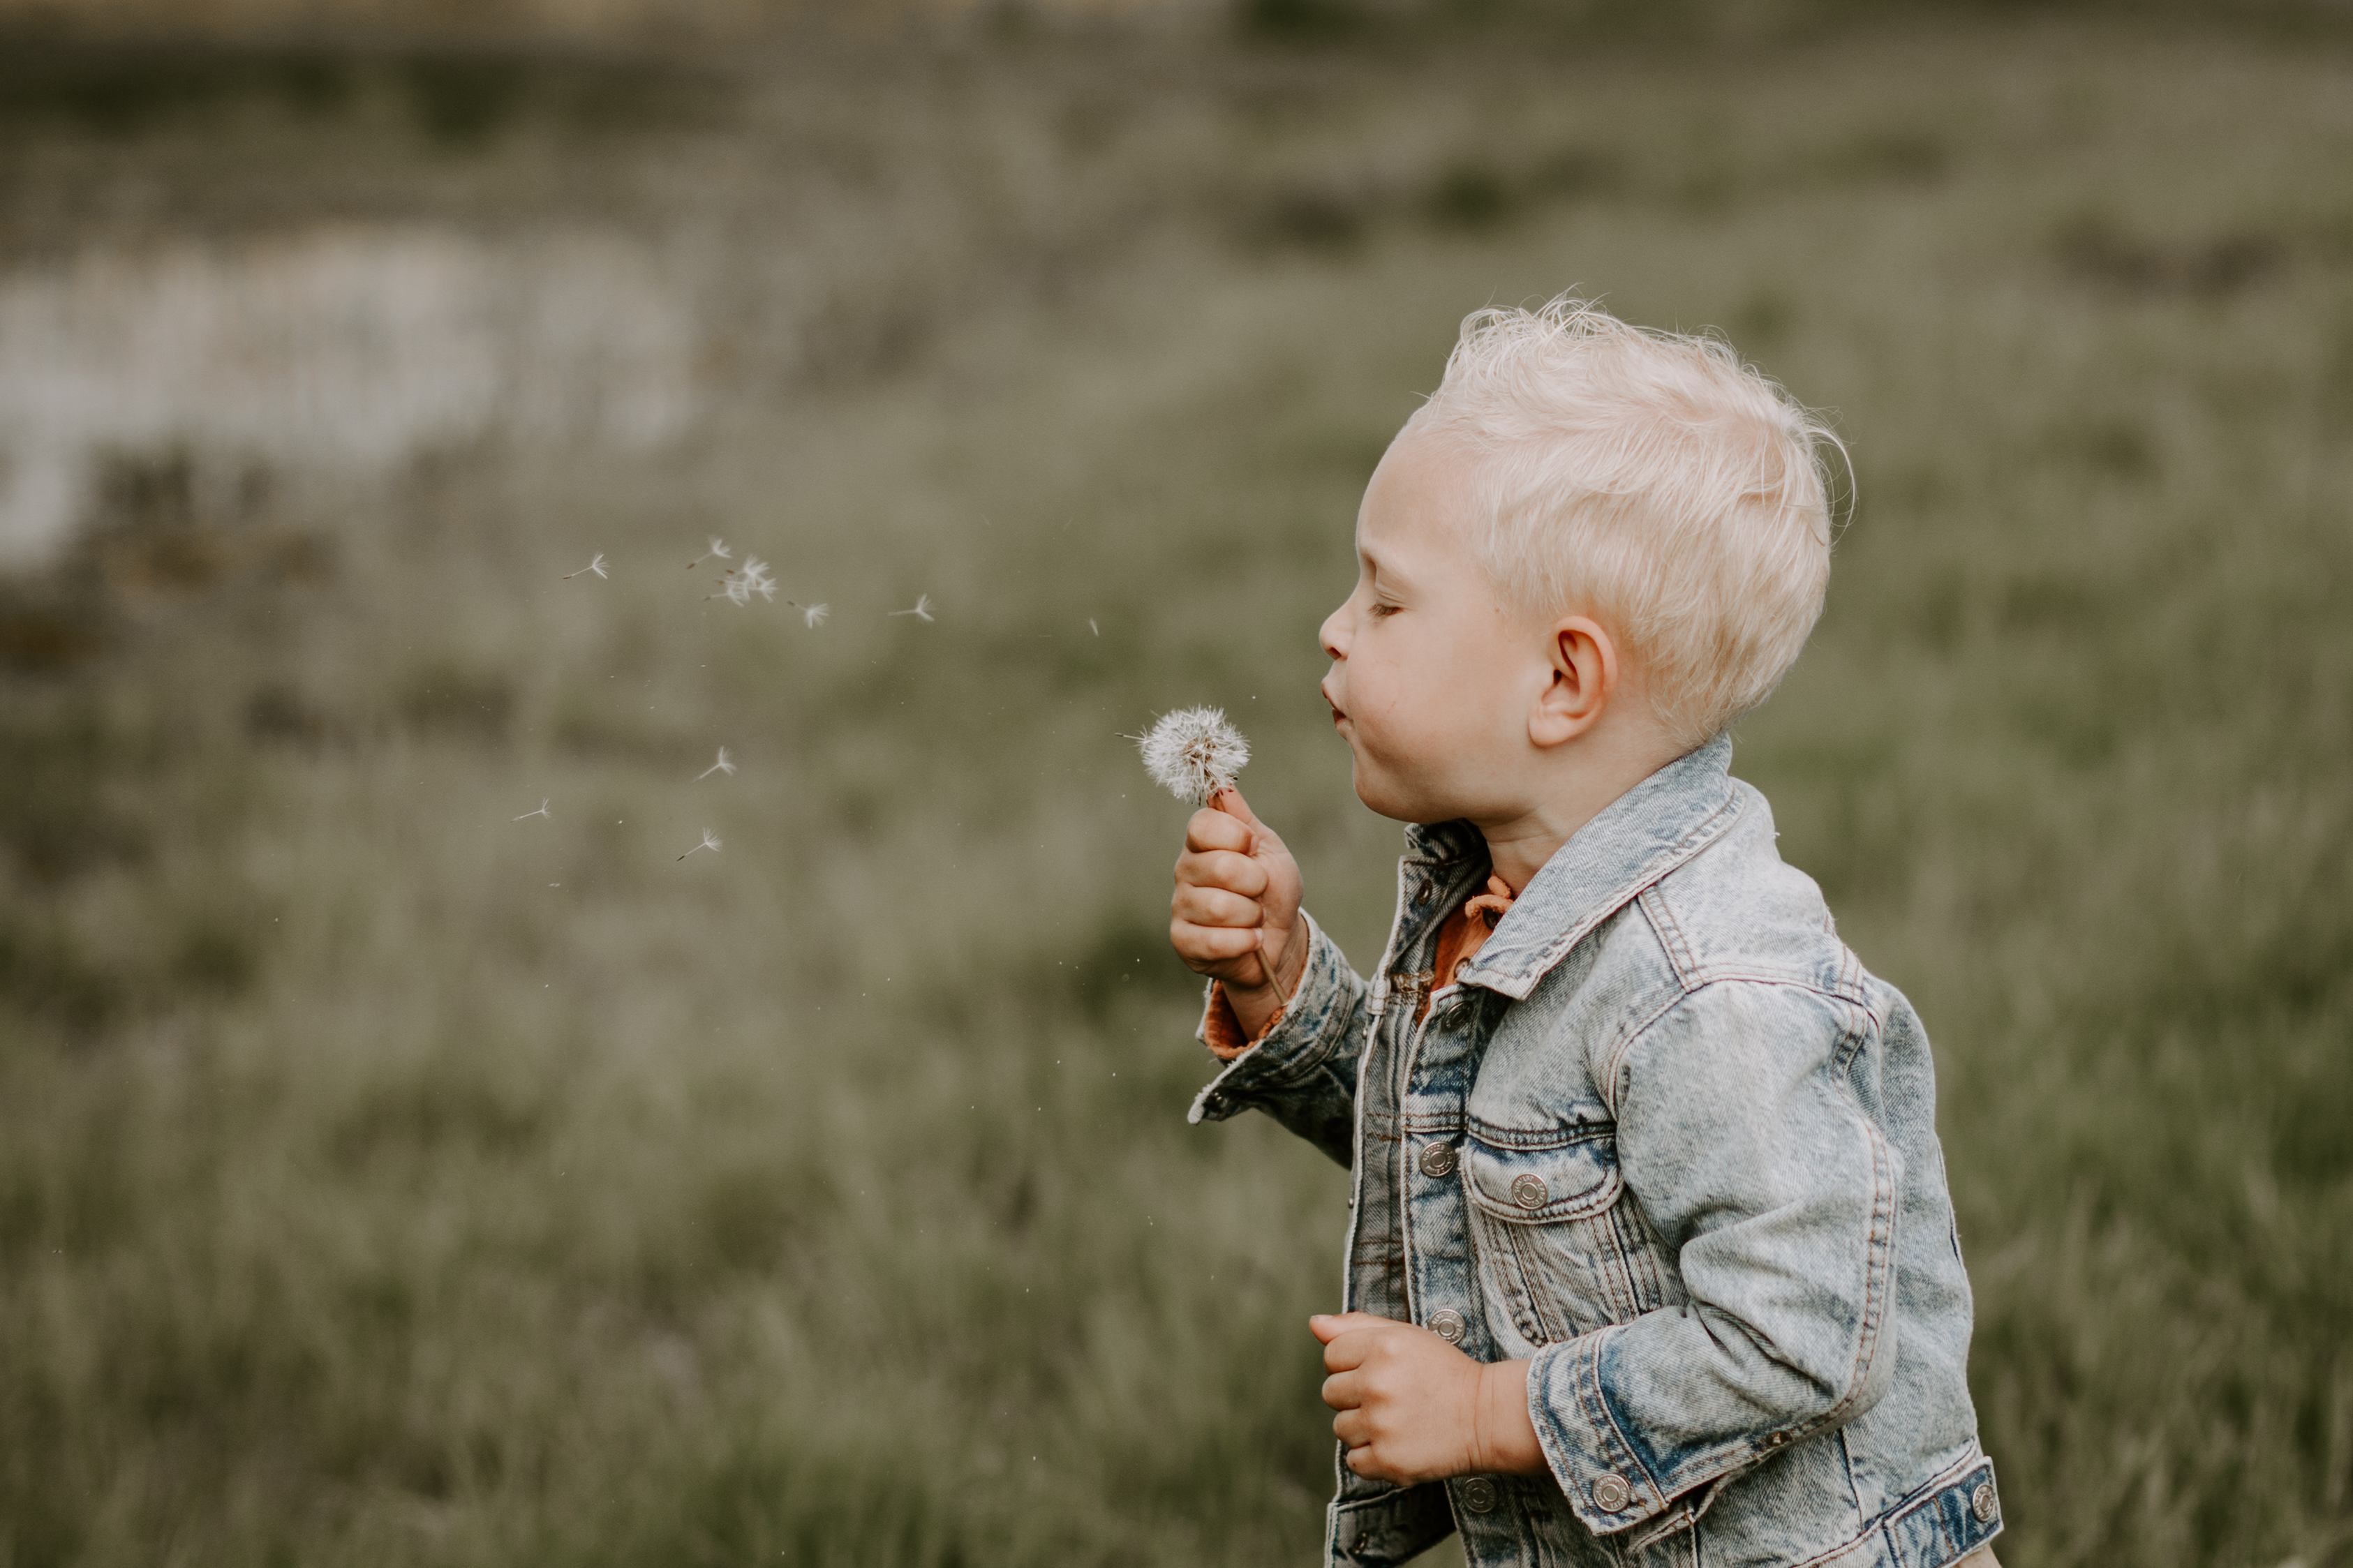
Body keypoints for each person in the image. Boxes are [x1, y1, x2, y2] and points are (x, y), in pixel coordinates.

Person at [1166, 297, 2002, 1568]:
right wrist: (1283, 984)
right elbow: (1475, 1158)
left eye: (1387, 602)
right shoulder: (1500, 893)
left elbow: (1801, 1331)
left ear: (1563, 683)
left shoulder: (1707, 990)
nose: (1333, 630)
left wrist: (1489, 1410)